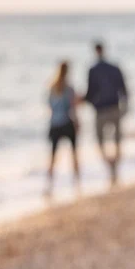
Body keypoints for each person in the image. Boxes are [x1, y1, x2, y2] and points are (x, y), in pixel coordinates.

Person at [84, 41, 129, 184]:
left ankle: (111, 166)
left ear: (96, 51)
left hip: (102, 109)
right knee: (117, 140)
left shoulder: (93, 70)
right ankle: (114, 167)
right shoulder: (114, 68)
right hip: (114, 107)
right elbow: (124, 89)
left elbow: (90, 92)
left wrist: (86, 101)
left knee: (100, 140)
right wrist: (125, 106)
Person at [44, 60, 80, 192]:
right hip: (67, 123)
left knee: (52, 156)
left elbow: (49, 107)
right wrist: (77, 123)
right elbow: (73, 108)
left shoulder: (52, 87)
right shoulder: (69, 88)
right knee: (74, 153)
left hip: (55, 125)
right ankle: (77, 182)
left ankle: (49, 185)